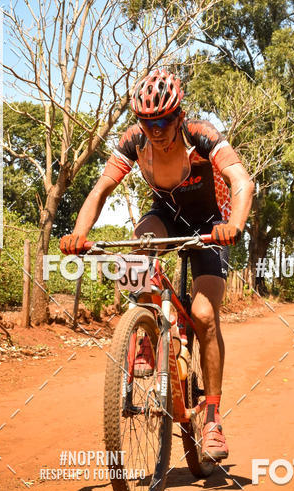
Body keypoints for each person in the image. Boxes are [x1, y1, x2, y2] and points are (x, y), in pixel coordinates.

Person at [60, 68, 254, 461]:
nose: (156, 130)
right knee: (136, 253)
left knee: (203, 315)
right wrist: (78, 234)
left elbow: (241, 181)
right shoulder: (134, 141)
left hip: (210, 225)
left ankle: (213, 419)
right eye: (147, 122)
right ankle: (147, 334)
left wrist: (233, 225)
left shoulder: (202, 135)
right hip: (164, 214)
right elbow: (101, 189)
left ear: (179, 116)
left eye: (164, 120)